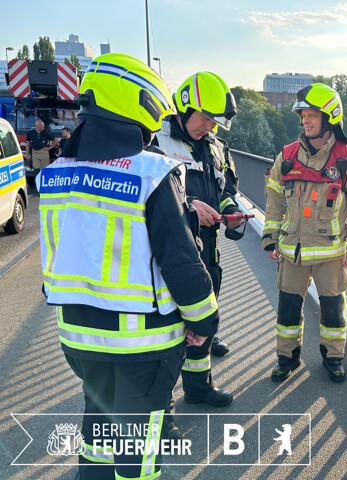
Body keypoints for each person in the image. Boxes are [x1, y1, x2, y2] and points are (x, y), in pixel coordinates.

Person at [36, 53, 220, 480]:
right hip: (141, 345)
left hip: (78, 337)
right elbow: (180, 260)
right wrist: (204, 320)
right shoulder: (151, 173)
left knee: (98, 431)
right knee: (137, 456)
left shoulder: (58, 172)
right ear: (139, 104)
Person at [263, 83, 347, 382]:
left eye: (312, 115)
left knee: (334, 314)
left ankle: (333, 358)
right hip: (292, 251)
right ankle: (286, 359)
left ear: (329, 118)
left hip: (332, 255)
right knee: (287, 311)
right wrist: (270, 235)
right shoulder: (287, 156)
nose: (305, 120)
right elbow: (274, 200)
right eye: (303, 115)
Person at [154, 71, 241, 410]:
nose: (209, 126)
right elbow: (148, 201)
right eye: (205, 117)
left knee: (202, 324)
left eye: (214, 121)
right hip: (171, 254)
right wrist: (188, 206)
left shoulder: (217, 146)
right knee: (170, 331)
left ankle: (198, 387)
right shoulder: (156, 142)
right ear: (185, 107)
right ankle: (161, 407)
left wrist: (231, 212)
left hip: (207, 251)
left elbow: (226, 191)